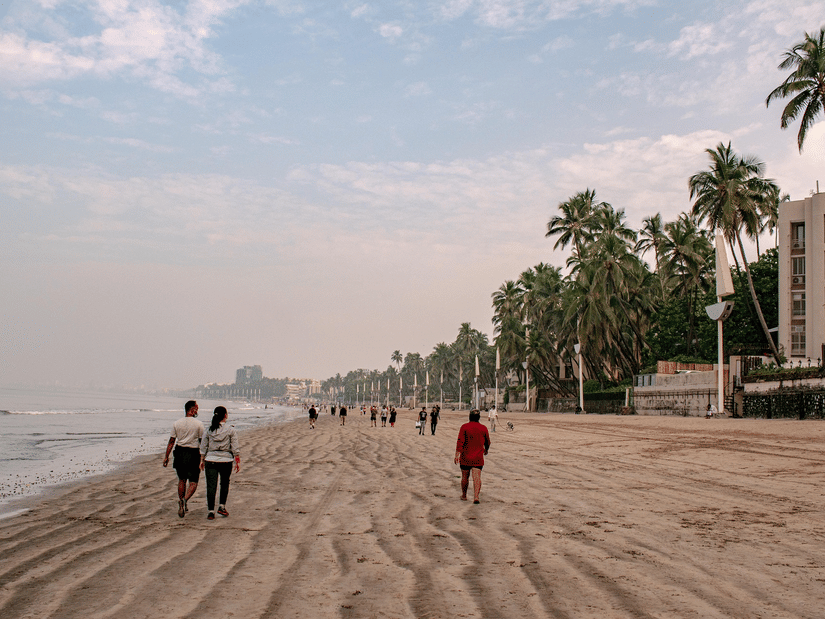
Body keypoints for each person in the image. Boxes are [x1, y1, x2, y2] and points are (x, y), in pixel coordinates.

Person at [163, 400, 204, 518]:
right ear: (192, 410)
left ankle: (181, 500)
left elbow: (171, 441)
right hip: (193, 453)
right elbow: (201, 442)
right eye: (196, 409)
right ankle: (184, 500)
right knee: (193, 482)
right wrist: (203, 458)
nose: (197, 411)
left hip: (179, 452)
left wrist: (166, 456)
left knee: (182, 479)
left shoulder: (177, 423)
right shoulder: (199, 424)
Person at [199, 406, 240, 520]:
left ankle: (211, 511)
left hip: (210, 459)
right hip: (226, 460)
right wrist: (237, 461)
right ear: (225, 416)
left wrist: (201, 460)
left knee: (211, 485)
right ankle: (222, 506)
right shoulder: (230, 430)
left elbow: (203, 447)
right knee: (224, 483)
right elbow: (235, 447)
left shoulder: (209, 430)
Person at [454, 410, 491, 504]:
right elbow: (487, 441)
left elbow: (460, 441)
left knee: (465, 477)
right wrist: (486, 449)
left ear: (469, 417)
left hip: (465, 457)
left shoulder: (464, 427)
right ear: (479, 417)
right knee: (477, 477)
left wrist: (457, 454)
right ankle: (476, 496)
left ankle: (464, 495)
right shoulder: (483, 428)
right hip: (478, 457)